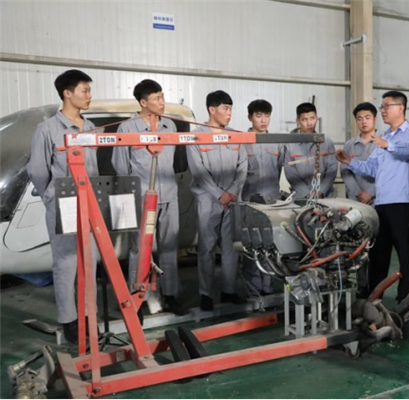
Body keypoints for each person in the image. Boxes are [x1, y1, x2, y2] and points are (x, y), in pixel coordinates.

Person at [28, 69, 99, 344]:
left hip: (90, 202)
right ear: (67, 93)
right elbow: (38, 170)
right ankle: (69, 320)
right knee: (67, 263)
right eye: (84, 90)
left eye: (89, 90)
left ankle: (88, 315)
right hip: (63, 203)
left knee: (89, 261)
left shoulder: (90, 127)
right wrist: (51, 196)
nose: (89, 95)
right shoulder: (47, 129)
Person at [335, 91, 409, 302]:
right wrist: (349, 162)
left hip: (402, 205)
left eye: (386, 106)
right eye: (382, 107)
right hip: (381, 207)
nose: (382, 110)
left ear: (400, 108)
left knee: (405, 257)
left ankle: (405, 303)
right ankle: (374, 301)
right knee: (378, 256)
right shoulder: (385, 137)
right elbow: (372, 168)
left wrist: (387, 145)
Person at [111, 79, 186, 316]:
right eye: (156, 98)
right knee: (140, 249)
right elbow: (120, 166)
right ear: (143, 102)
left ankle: (171, 295)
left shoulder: (169, 126)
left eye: (162, 97)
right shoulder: (127, 129)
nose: (162, 102)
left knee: (169, 246)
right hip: (142, 198)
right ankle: (138, 298)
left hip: (169, 195)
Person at [186, 90, 248, 311]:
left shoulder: (236, 135)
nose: (229, 113)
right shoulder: (195, 136)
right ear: (212, 110)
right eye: (225, 108)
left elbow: (242, 167)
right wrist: (218, 194)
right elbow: (198, 170)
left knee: (231, 248)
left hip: (232, 200)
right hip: (208, 200)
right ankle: (205, 294)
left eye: (231, 109)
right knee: (207, 248)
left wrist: (231, 192)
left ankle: (228, 291)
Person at [241, 99, 283, 295]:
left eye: (267, 116)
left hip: (272, 201)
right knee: (252, 244)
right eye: (259, 116)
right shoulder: (243, 141)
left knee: (271, 244)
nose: (263, 120)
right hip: (250, 201)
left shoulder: (276, 141)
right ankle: (253, 287)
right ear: (250, 117)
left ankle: (268, 285)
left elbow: (279, 168)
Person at [283, 103, 338, 199]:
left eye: (312, 118)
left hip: (325, 196)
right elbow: (291, 173)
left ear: (316, 118)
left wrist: (321, 191)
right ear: (297, 121)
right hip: (300, 198)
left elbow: (332, 170)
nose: (309, 123)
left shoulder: (327, 142)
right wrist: (306, 194)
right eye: (304, 119)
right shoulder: (290, 145)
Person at [340, 102, 377, 205]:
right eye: (359, 119)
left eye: (367, 118)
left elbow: (386, 173)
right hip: (355, 199)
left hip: (378, 198)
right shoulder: (349, 145)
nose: (363, 122)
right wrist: (358, 193)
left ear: (375, 119)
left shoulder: (382, 143)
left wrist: (371, 192)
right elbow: (345, 171)